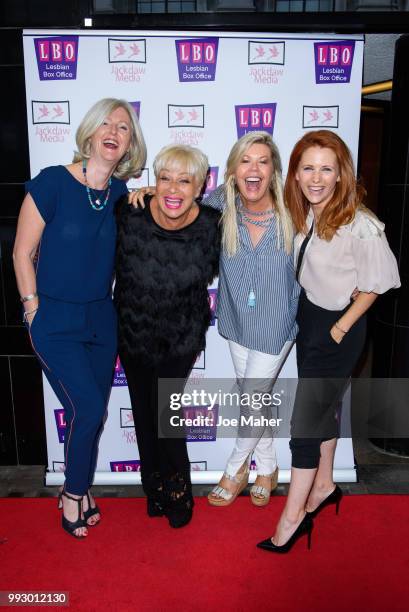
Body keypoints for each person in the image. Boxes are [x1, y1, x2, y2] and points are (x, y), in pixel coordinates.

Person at [131, 131, 299, 507]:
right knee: (254, 396)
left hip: (277, 323)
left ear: (273, 170)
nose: (253, 169)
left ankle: (236, 468)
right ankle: (268, 468)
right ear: (234, 170)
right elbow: (179, 198)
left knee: (253, 395)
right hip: (236, 319)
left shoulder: (294, 207)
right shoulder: (221, 203)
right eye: (245, 161)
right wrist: (149, 191)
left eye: (262, 161)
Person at [257, 130, 400, 554]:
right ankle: (323, 484)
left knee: (304, 427)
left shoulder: (362, 224)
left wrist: (340, 327)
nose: (316, 177)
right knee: (322, 412)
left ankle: (292, 518)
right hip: (311, 320)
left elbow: (379, 284)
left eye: (326, 169)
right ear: (296, 175)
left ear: (341, 175)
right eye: (308, 168)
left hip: (339, 330)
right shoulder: (306, 212)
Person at [13, 98, 146, 539]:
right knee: (87, 408)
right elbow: (21, 252)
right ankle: (72, 493)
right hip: (54, 319)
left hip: (100, 320)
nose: (113, 131)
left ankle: (80, 487)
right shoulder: (52, 183)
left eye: (123, 127)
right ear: (90, 132)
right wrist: (32, 309)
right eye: (105, 123)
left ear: (129, 144)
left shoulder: (121, 195)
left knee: (89, 411)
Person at [115, 144, 220, 528]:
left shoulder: (213, 224)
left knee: (166, 410)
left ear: (200, 186)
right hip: (132, 329)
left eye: (184, 180)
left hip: (180, 336)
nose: (173, 188)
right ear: (153, 182)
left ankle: (179, 491)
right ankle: (154, 487)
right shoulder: (129, 212)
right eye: (165, 178)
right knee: (143, 411)